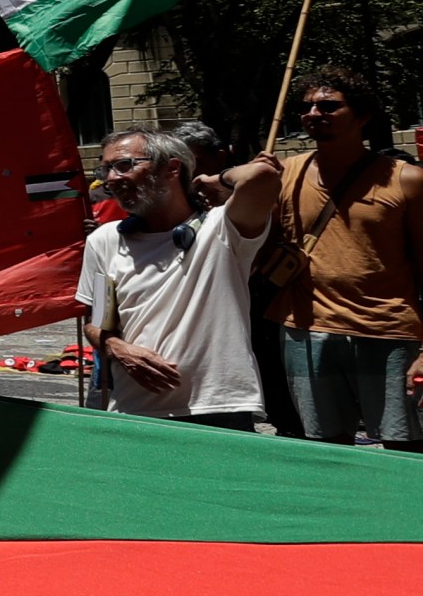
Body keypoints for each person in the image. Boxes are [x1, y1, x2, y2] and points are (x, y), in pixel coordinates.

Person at [79, 127, 283, 426]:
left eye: (124, 165)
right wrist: (116, 348)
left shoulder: (222, 229)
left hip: (219, 406)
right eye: (106, 169)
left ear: (172, 168)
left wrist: (213, 179)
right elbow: (97, 322)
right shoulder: (104, 240)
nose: (111, 179)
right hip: (135, 409)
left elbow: (262, 176)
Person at [265, 68, 423, 450]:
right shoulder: (284, 173)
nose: (314, 114)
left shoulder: (407, 180)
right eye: (306, 107)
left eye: (329, 106)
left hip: (390, 334)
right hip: (306, 330)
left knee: (406, 450)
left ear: (363, 116)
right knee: (327, 452)